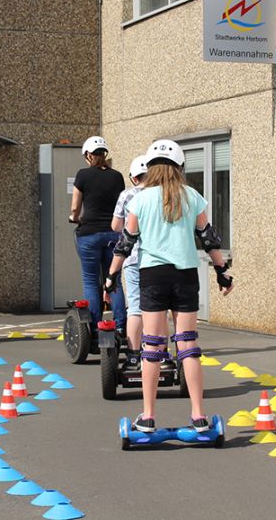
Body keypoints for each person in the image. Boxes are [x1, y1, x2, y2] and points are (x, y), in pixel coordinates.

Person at [105, 139, 233, 433]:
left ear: (150, 168)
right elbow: (208, 237)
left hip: (153, 276)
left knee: (153, 346)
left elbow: (126, 242)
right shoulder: (193, 196)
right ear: (180, 167)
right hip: (186, 275)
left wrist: (111, 275)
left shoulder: (140, 199)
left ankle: (148, 416)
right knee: (187, 343)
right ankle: (199, 416)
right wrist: (222, 272)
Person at [69, 136, 126, 333]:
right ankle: (120, 327)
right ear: (105, 154)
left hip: (89, 233)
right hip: (113, 234)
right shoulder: (117, 176)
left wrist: (74, 217)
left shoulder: (82, 175)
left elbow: (75, 207)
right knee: (114, 279)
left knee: (91, 280)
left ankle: (94, 328)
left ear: (88, 155)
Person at [106, 155, 148, 372]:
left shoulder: (127, 195)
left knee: (135, 307)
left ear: (133, 177)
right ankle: (159, 352)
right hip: (156, 259)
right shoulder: (158, 195)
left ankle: (132, 355)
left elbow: (115, 226)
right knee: (158, 308)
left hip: (131, 257)